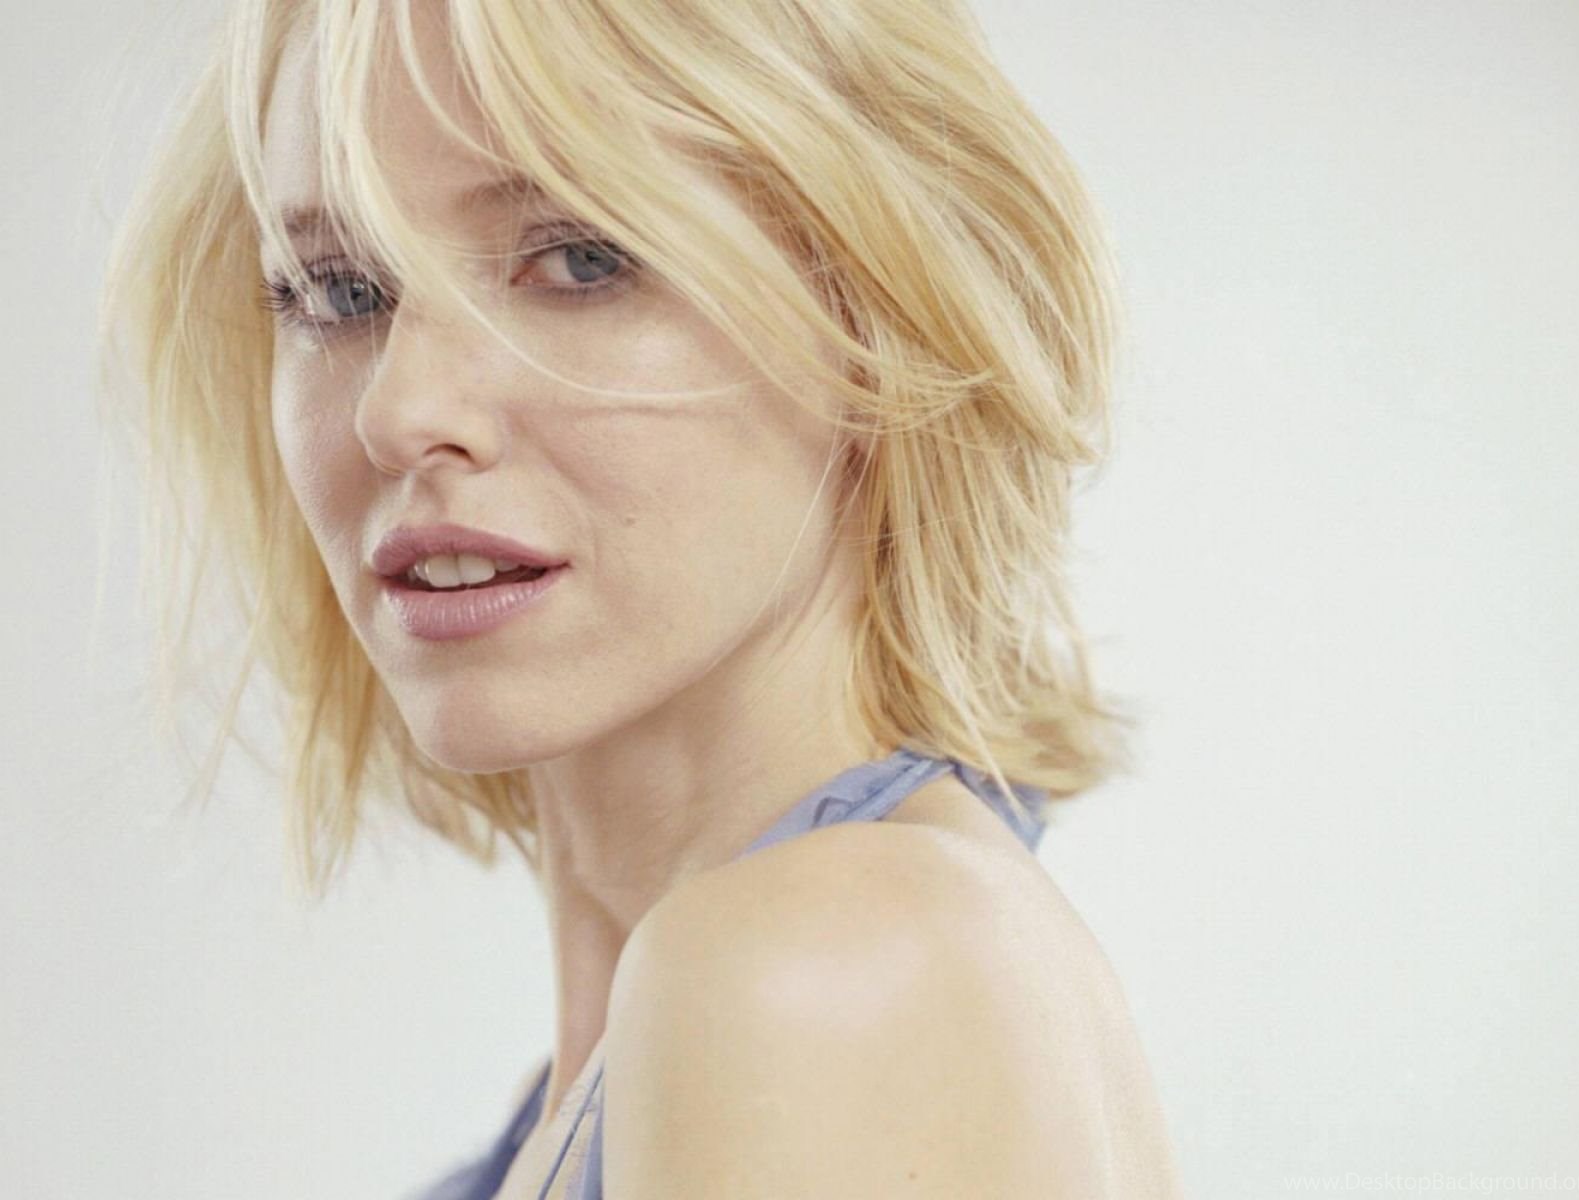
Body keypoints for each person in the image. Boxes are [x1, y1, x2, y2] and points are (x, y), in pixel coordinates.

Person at [98, 0, 1183, 1195]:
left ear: (878, 310)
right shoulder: (682, 1021)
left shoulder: (822, 965)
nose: (398, 412)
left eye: (582, 259)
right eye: (340, 291)